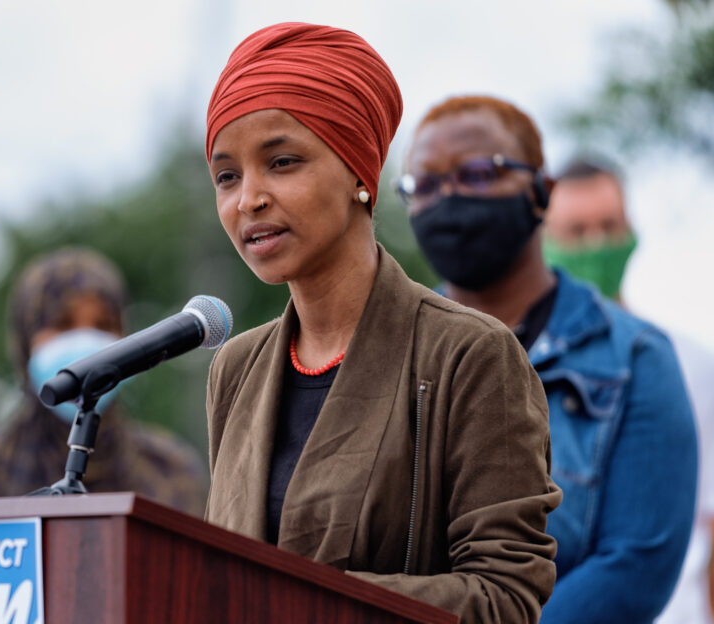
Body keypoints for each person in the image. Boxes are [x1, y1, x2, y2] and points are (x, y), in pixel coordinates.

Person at [203, 23, 561, 623]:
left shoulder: (469, 355)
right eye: (227, 176)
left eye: (282, 161)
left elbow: (504, 597)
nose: (249, 200)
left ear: (359, 173)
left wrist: (300, 605)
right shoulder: (235, 369)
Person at [400, 95, 698, 623]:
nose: (449, 197)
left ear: (542, 193)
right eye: (424, 184)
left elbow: (634, 567)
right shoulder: (385, 353)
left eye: (476, 173)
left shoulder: (634, 360)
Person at [545, 156, 714, 624]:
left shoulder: (696, 368)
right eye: (577, 231)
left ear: (632, 232)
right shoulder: (512, 364)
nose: (597, 245)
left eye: (610, 226)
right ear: (542, 239)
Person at [0, 247, 208, 516]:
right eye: (62, 324)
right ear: (25, 341)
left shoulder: (172, 470)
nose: (86, 342)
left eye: (103, 325)